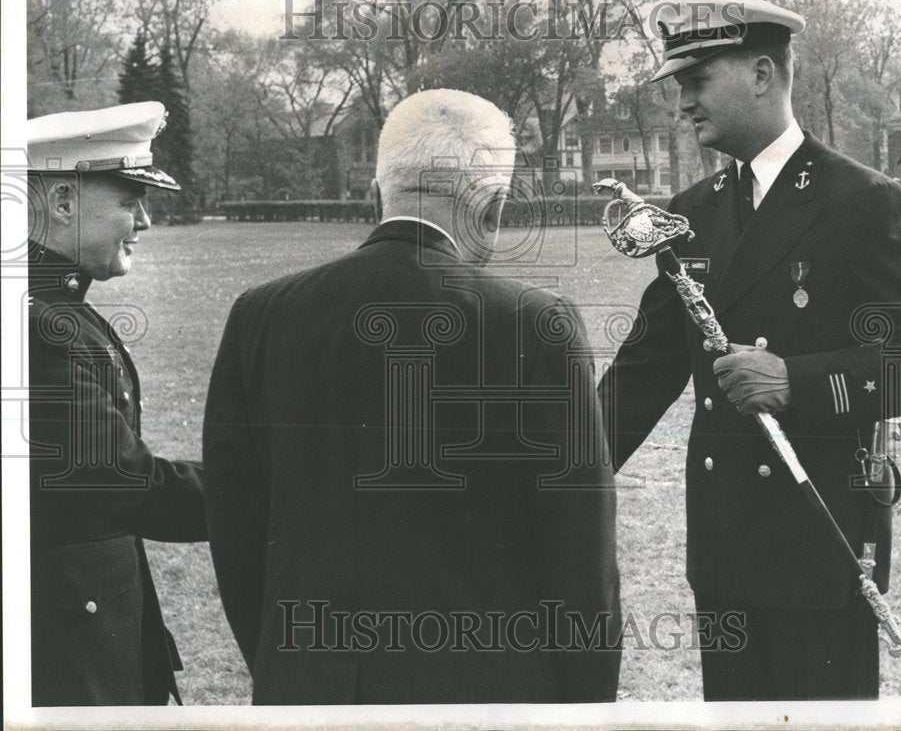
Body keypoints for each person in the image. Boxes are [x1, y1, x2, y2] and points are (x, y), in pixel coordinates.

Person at [600, 0, 901, 701]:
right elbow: (639, 378)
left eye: (696, 80)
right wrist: (550, 475)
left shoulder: (862, 201)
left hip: (819, 548)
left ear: (763, 73)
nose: (682, 103)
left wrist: (794, 380)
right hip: (724, 554)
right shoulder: (691, 215)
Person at [203, 88, 621, 705]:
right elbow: (581, 561)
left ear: (379, 191)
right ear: (492, 205)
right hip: (487, 698)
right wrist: (588, 711)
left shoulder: (261, 315)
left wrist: (282, 668)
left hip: (308, 691)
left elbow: (234, 529)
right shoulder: (537, 324)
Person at [26, 102, 207, 705]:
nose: (146, 222)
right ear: (62, 204)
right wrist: (271, 487)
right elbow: (124, 485)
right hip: (68, 658)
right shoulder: (39, 327)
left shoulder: (56, 310)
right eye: (131, 201)